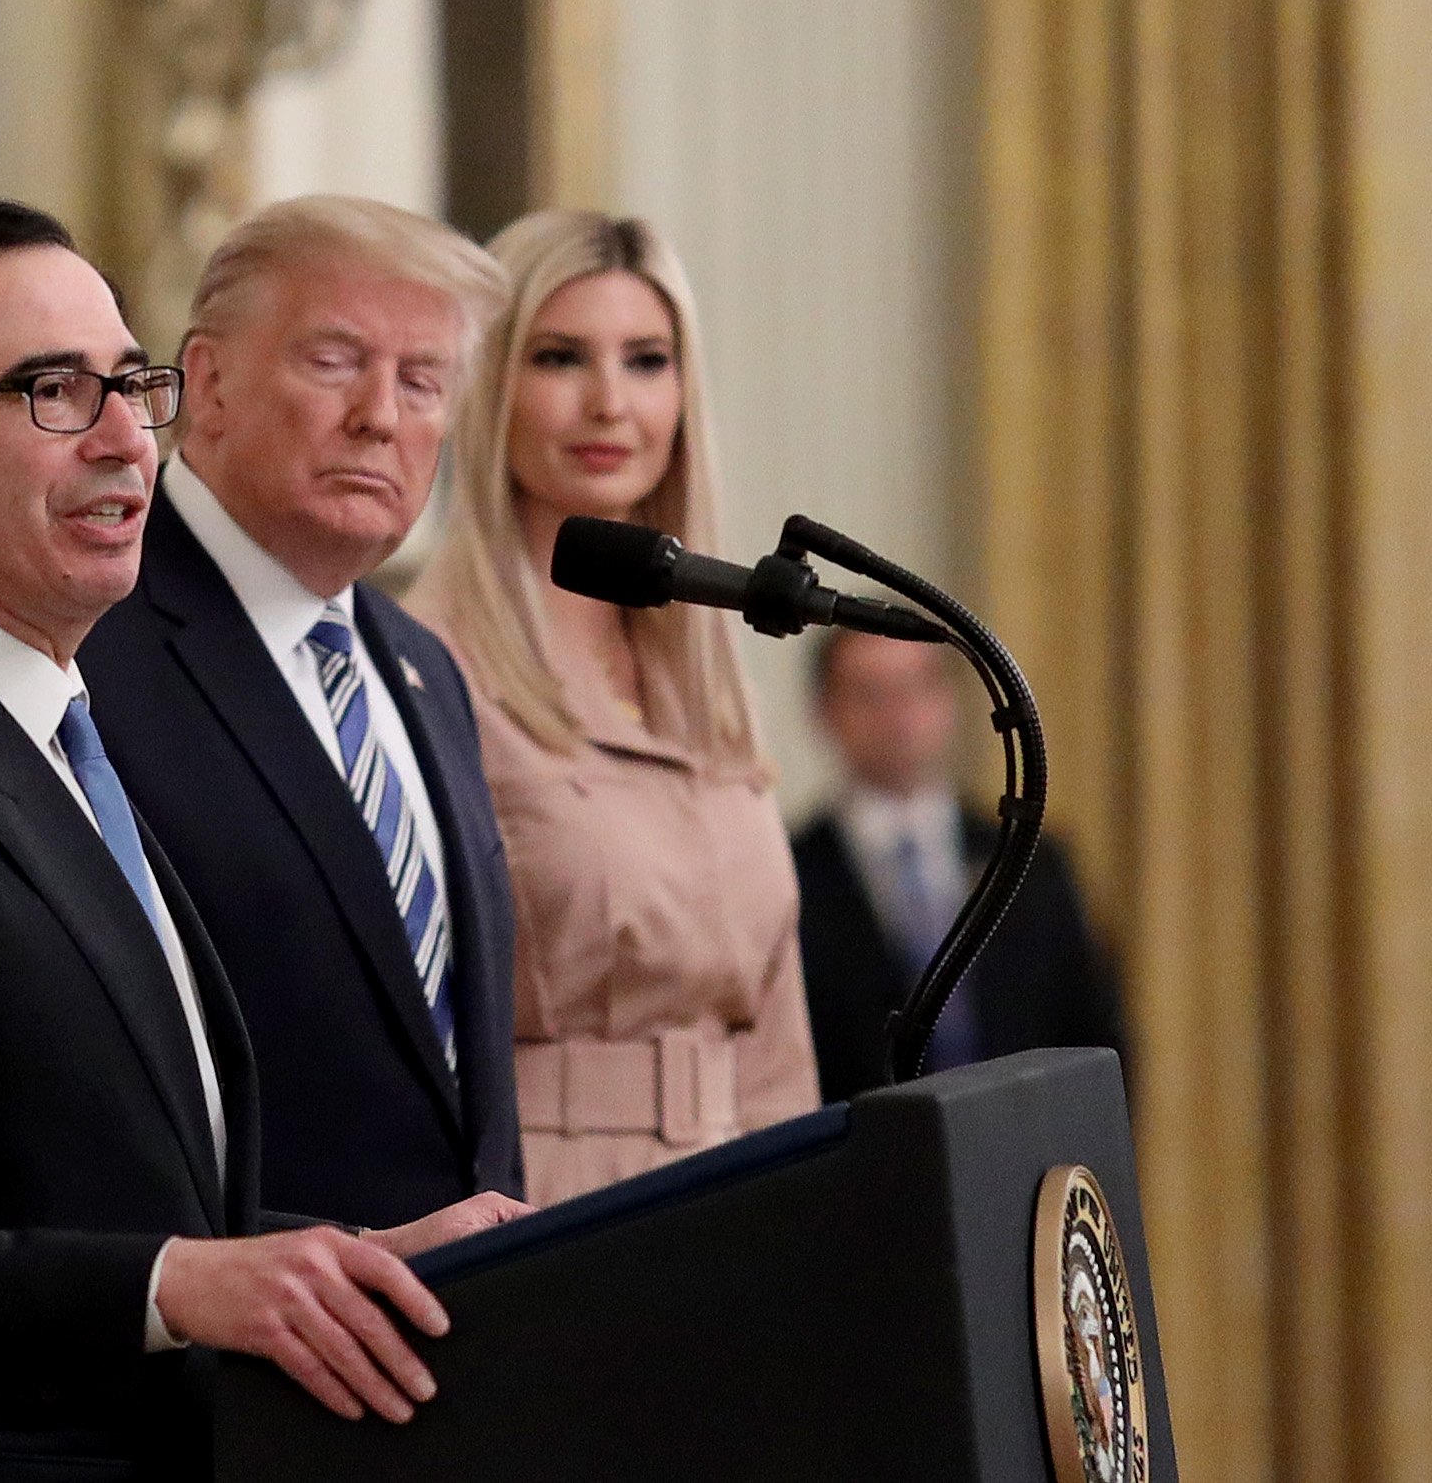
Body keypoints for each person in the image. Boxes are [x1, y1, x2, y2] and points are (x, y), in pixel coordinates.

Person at [0, 200, 523, 1481]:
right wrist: (178, 1284)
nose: (128, 437)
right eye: (50, 391)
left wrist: (354, 1249)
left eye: (128, 384)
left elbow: (115, 1183)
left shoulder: (48, 726)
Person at [79, 198, 526, 1228]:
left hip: (472, 1342)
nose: (380, 413)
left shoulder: (419, 666)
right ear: (214, 380)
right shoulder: (92, 645)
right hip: (232, 1356)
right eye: (333, 361)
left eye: (421, 381)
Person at [412, 210, 818, 1204]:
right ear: (486, 381)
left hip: (746, 1195)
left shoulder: (709, 669)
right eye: (558, 357)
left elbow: (775, 1042)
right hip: (546, 1203)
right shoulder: (424, 664)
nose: (608, 402)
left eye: (645, 359)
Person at [789, 624, 1127, 1098]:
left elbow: (1095, 1038)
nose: (898, 716)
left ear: (948, 702)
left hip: (1030, 1156)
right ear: (824, 711)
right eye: (870, 694)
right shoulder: (791, 878)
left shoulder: (1030, 859)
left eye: (916, 688)